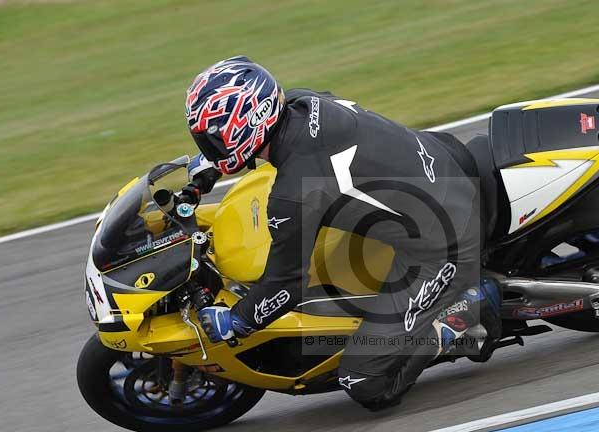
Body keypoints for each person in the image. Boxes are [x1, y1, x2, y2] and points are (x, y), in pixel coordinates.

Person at [186, 56, 499, 411]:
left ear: (248, 123)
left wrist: (237, 320)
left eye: (212, 140)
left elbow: (286, 286)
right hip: (442, 156)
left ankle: (469, 310)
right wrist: (214, 163)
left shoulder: (293, 194)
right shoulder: (304, 102)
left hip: (448, 243)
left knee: (364, 381)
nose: (208, 148)